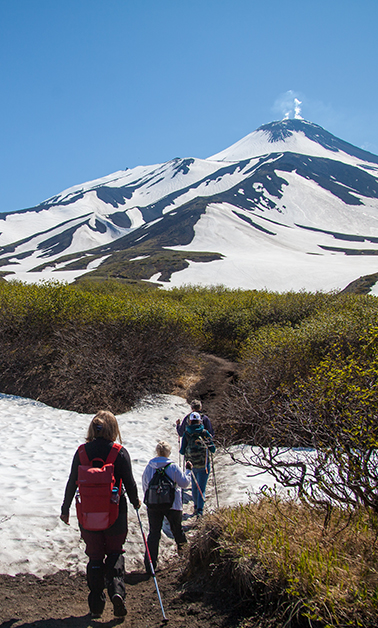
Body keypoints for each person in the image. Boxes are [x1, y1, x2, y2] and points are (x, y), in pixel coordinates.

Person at [60, 410, 141, 619]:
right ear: (113, 429)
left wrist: (65, 509)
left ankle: (96, 605)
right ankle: (117, 592)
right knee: (115, 553)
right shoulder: (119, 452)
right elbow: (130, 483)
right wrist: (135, 502)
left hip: (88, 515)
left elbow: (72, 482)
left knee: (95, 557)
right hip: (115, 513)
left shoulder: (82, 452)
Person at [142, 441, 192, 574]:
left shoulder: (149, 467)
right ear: (168, 452)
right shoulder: (173, 466)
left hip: (153, 505)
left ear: (157, 452)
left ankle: (150, 565)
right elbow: (184, 483)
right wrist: (188, 471)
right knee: (177, 531)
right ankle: (186, 559)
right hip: (173, 504)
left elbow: (145, 485)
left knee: (154, 534)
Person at [179, 412, 216, 517]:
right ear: (200, 421)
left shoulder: (186, 433)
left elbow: (182, 451)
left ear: (190, 421)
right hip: (204, 464)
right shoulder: (205, 433)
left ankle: (195, 506)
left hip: (191, 465)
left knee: (194, 487)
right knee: (202, 488)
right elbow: (212, 449)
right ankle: (200, 511)